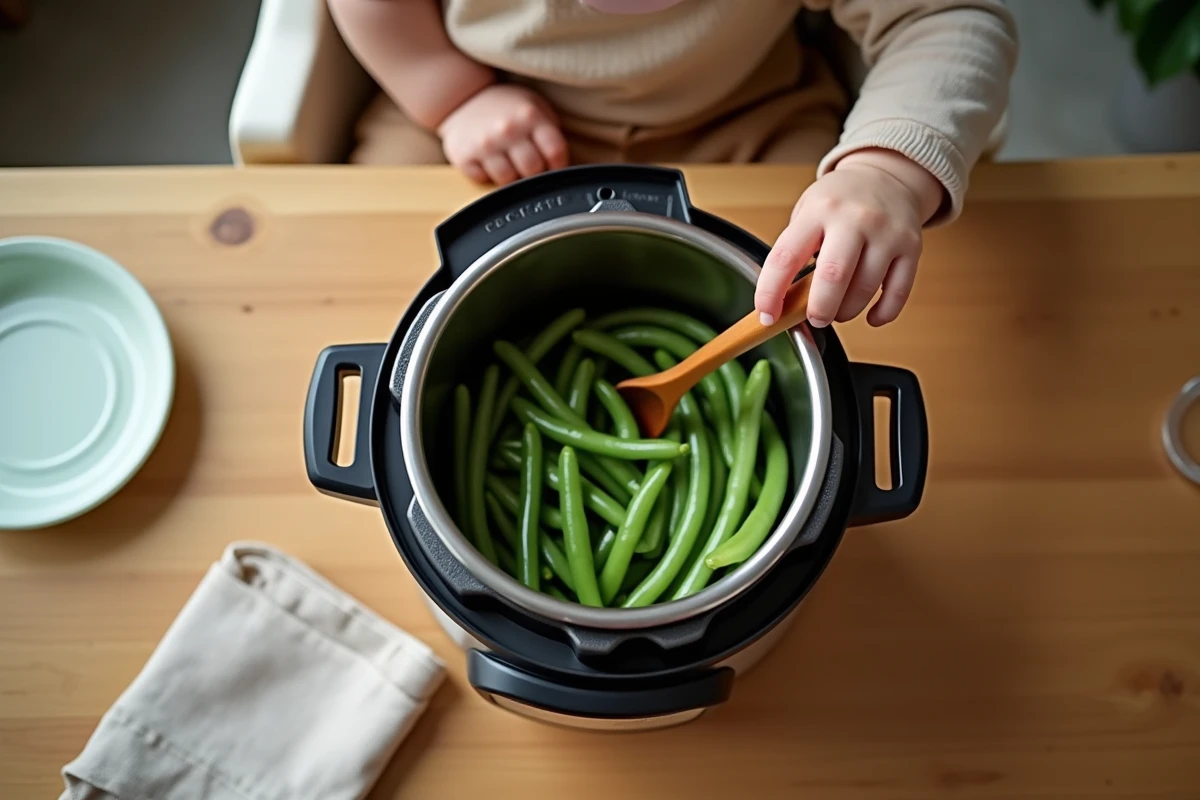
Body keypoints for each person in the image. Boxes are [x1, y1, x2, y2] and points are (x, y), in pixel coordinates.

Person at [328, 0, 1017, 328]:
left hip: (744, 111)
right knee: (387, 289)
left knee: (816, 297)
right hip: (495, 109)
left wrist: (884, 171)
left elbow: (949, 17)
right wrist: (452, 98)